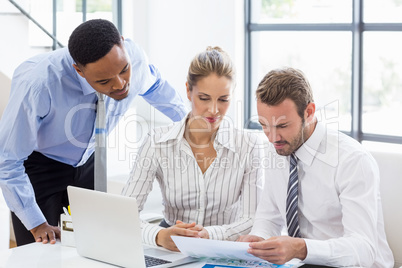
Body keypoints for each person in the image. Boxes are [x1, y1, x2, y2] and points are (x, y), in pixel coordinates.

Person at [0, 19, 187, 246]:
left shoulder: (134, 57)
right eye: (104, 81)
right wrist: (36, 223)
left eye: (124, 70)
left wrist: (192, 125)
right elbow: (7, 160)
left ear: (123, 45)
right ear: (78, 70)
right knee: (41, 253)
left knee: (92, 246)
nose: (120, 85)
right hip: (41, 167)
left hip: (89, 159)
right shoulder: (39, 85)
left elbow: (156, 87)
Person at [238, 67, 394, 267]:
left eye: (282, 125)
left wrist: (301, 248)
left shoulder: (352, 161)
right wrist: (258, 238)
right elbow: (269, 217)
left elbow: (363, 250)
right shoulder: (278, 149)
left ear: (309, 112)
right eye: (264, 124)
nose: (271, 137)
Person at [122, 46, 265, 251]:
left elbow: (253, 219)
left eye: (223, 100)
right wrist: (158, 236)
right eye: (204, 98)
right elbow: (125, 214)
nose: (214, 110)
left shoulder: (249, 145)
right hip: (171, 250)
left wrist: (210, 235)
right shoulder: (156, 142)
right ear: (188, 91)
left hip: (223, 250)